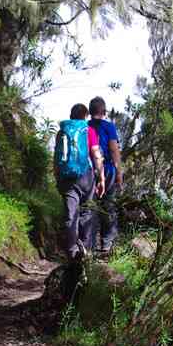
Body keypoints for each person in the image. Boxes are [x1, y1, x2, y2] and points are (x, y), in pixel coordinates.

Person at [53, 103, 105, 261]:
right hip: (85, 177)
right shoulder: (88, 130)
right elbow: (96, 155)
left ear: (71, 115)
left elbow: (56, 158)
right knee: (87, 212)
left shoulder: (62, 132)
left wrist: (57, 176)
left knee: (71, 214)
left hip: (67, 178)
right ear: (85, 116)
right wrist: (101, 178)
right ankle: (86, 251)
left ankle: (72, 251)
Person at [88, 96, 122, 255]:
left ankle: (91, 244)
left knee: (91, 206)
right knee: (109, 205)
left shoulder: (85, 126)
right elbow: (114, 149)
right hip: (107, 169)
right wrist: (119, 172)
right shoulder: (109, 127)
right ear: (104, 111)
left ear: (90, 111)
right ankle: (107, 244)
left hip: (88, 171)